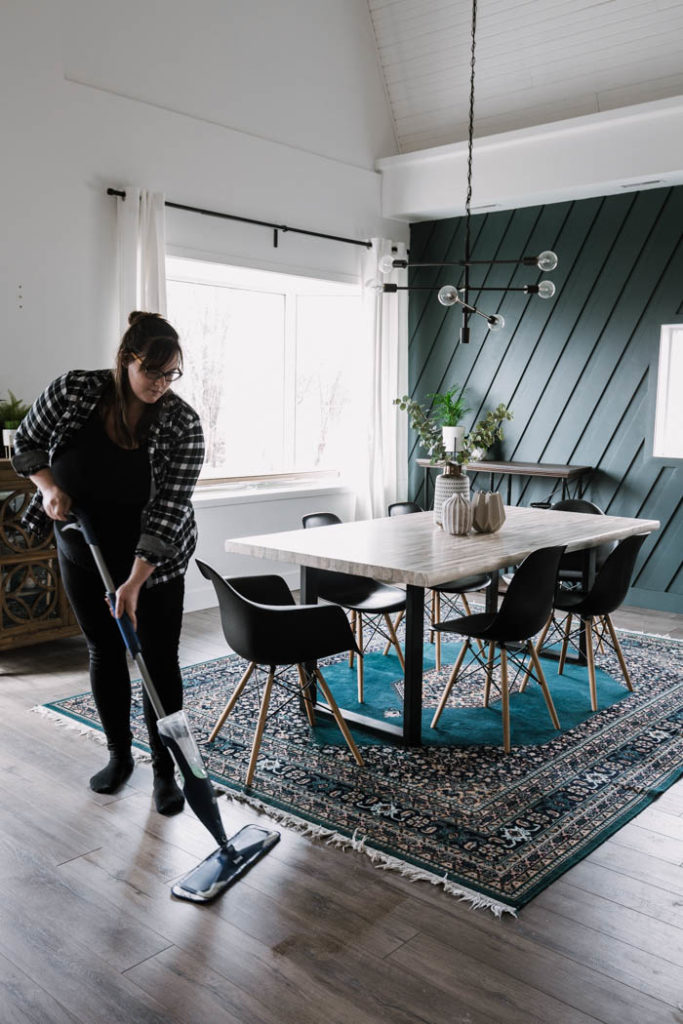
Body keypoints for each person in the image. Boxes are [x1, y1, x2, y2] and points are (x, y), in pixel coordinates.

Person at [12, 312, 205, 815]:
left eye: (171, 375)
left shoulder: (182, 424)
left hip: (155, 562)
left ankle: (166, 772)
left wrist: (136, 582)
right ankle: (120, 757)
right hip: (83, 547)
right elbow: (26, 444)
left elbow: (169, 511)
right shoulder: (74, 391)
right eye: (153, 373)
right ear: (126, 361)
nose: (162, 385)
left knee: (157, 661)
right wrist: (49, 488)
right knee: (104, 648)